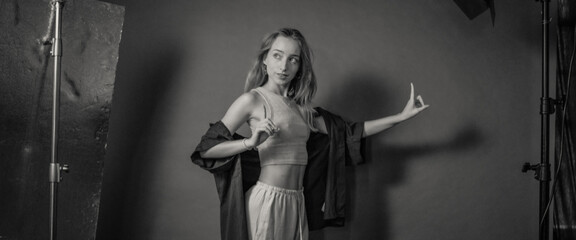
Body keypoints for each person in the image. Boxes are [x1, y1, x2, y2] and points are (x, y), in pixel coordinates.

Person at [191, 28, 429, 240]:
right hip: (267, 202)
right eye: (277, 55)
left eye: (292, 59)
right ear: (265, 59)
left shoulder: (302, 110)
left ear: (299, 67)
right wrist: (249, 142)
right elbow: (207, 149)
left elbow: (349, 134)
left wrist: (400, 117)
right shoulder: (252, 100)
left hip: (296, 202)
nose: (283, 66)